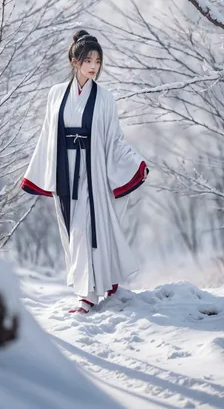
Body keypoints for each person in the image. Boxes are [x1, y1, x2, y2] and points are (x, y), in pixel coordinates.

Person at [22, 30, 149, 314]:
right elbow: (47, 134)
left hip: (93, 172)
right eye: (88, 60)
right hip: (65, 170)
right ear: (74, 61)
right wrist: (38, 172)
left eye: (97, 60)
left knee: (84, 230)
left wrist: (134, 163)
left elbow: (114, 139)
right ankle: (98, 282)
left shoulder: (105, 98)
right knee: (72, 231)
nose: (94, 66)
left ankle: (87, 296)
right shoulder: (55, 94)